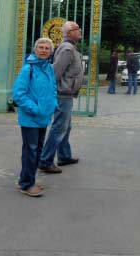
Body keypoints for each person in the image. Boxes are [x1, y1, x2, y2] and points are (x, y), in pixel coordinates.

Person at [12, 38, 58, 197]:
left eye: (47, 48)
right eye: (41, 47)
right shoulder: (28, 69)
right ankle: (26, 184)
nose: (44, 50)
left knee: (37, 150)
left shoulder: (49, 68)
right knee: (30, 150)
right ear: (35, 50)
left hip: (44, 117)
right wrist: (35, 108)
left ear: (51, 51)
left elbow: (53, 88)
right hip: (30, 118)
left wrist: (53, 104)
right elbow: (18, 94)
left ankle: (28, 179)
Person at [39, 21, 83, 174]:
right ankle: (45, 160)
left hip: (66, 93)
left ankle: (64, 156)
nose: (80, 30)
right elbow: (56, 72)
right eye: (77, 29)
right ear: (69, 32)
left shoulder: (71, 47)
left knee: (66, 126)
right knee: (59, 127)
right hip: (63, 94)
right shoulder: (67, 48)